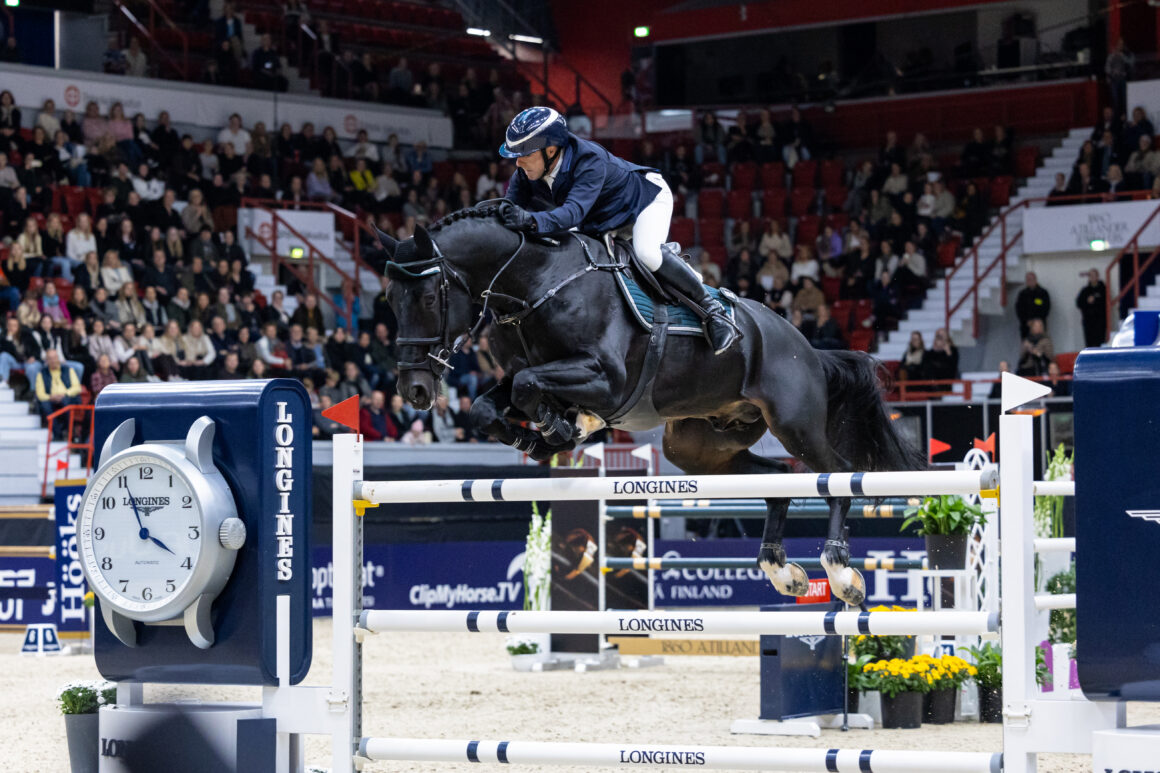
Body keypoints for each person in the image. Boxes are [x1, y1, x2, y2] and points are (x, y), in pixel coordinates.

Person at [498, 106, 736, 353]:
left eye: (524, 153)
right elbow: (507, 208)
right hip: (603, 219)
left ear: (550, 150)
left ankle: (713, 312)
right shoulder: (527, 172)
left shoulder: (589, 160)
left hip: (644, 202)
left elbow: (572, 214)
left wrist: (530, 221)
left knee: (647, 253)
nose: (518, 161)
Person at [1075, 268, 1107, 347]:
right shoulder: (1085, 290)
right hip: (1088, 321)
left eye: (1093, 275)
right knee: (1089, 344)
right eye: (1090, 275)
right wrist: (1087, 301)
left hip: (1100, 321)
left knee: (1100, 343)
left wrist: (1095, 300)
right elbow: (1078, 303)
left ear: (1097, 276)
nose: (1092, 277)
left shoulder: (1103, 289)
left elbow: (1105, 302)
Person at [1015, 271, 1051, 338]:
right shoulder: (1022, 294)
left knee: (1040, 346)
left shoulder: (1043, 293)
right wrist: (1026, 321)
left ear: (1035, 279)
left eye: (1031, 279)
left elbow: (1046, 308)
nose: (1030, 281)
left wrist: (1036, 322)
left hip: (1040, 326)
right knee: (1027, 346)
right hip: (1026, 326)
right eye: (1028, 280)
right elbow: (1019, 309)